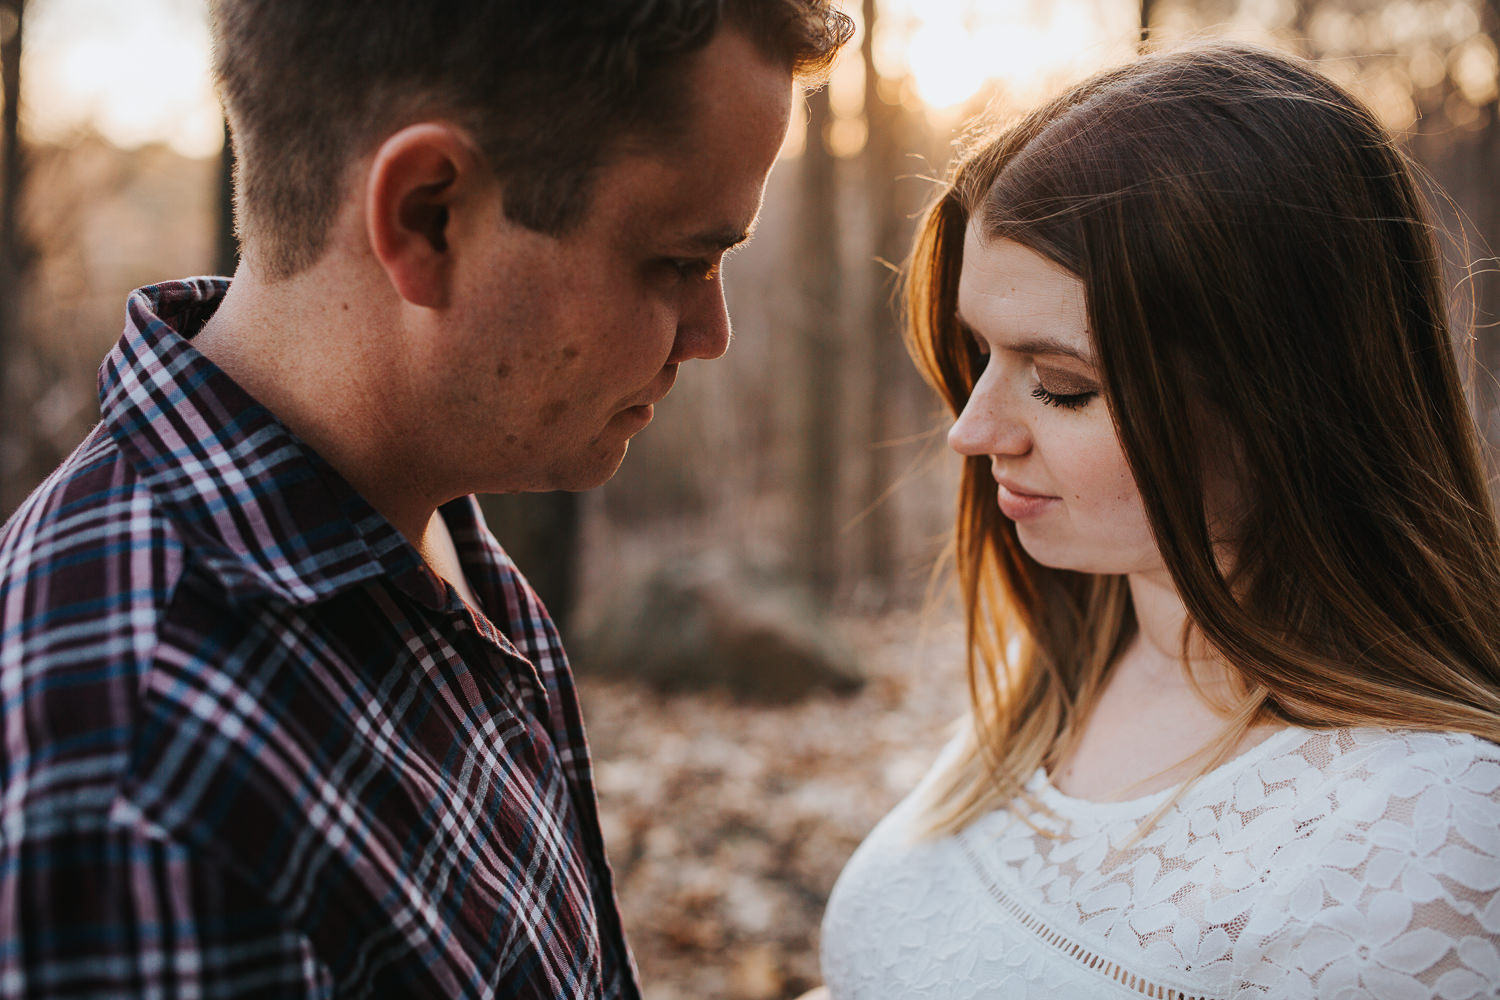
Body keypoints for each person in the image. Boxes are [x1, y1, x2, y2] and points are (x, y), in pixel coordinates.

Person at [0, 2, 850, 997]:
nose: (712, 333)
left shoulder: (411, 505)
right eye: (680, 261)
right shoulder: (148, 801)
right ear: (428, 215)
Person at [818, 43, 1500, 998]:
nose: (972, 433)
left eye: (1060, 386)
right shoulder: (1070, 659)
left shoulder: (1431, 845)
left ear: (1284, 400)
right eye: (980, 353)